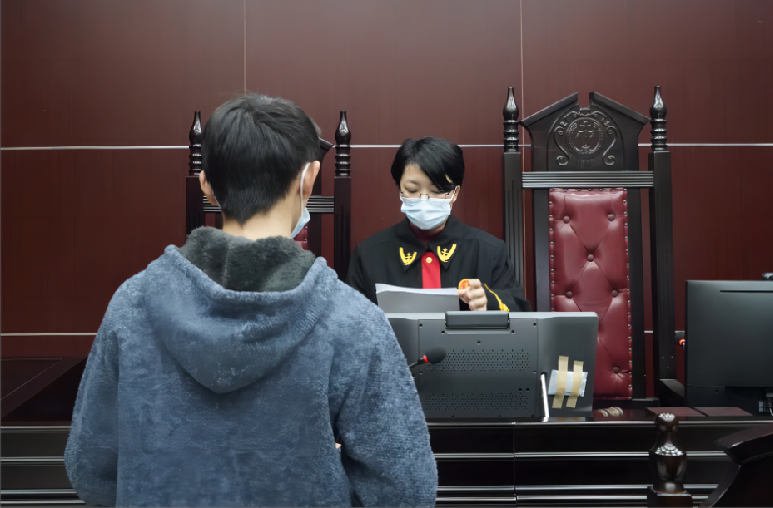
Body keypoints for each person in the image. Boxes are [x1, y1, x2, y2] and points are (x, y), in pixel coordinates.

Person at [64, 94, 437, 508]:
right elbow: (404, 489)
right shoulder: (351, 320)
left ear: (206, 185)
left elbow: (90, 470)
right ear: (309, 179)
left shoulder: (132, 306)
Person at [345, 137, 530, 312]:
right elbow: (348, 321)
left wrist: (488, 301)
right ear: (400, 189)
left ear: (455, 193)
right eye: (412, 190)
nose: (424, 199)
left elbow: (521, 313)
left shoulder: (489, 251)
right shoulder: (368, 255)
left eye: (437, 191)